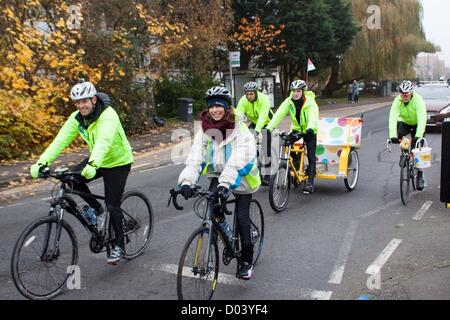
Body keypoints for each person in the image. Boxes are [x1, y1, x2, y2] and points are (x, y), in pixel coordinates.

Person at [29, 81, 134, 264]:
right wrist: (42, 162)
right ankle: (97, 210)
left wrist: (93, 164)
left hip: (118, 162)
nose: (80, 106)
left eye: (84, 101)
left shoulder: (108, 115)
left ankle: (119, 245)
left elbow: (104, 141)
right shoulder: (77, 118)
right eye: (77, 102)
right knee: (71, 178)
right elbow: (60, 141)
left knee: (113, 204)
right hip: (96, 160)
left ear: (93, 99)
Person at [177, 86, 261, 280]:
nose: (215, 110)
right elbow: (195, 157)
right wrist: (186, 181)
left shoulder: (240, 128)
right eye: (211, 106)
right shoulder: (205, 129)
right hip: (219, 173)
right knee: (213, 208)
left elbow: (238, 159)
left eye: (219, 106)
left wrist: (225, 184)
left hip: (242, 175)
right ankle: (223, 231)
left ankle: (246, 261)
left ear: (227, 107)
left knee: (241, 218)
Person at [266, 80, 319, 194]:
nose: (295, 93)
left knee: (310, 155)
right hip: (296, 129)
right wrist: (269, 128)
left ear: (303, 92)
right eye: (294, 91)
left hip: (309, 131)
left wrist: (310, 129)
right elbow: (279, 114)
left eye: (298, 91)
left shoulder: (310, 102)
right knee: (285, 144)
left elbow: (313, 116)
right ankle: (295, 163)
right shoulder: (289, 101)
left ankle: (310, 182)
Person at [388, 80, 427, 190]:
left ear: (411, 93)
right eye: (402, 94)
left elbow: (422, 118)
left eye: (407, 94)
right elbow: (392, 118)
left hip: (417, 124)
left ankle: (419, 175)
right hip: (405, 122)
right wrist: (393, 136)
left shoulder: (418, 100)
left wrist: (418, 136)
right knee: (399, 134)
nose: (404, 96)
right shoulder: (397, 101)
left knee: (418, 149)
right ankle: (404, 153)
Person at [236, 81, 274, 185]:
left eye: (251, 94)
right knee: (247, 142)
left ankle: (267, 176)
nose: (249, 96)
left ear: (256, 92)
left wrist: (257, 131)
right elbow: (238, 115)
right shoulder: (243, 100)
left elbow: (262, 116)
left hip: (267, 122)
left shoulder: (264, 98)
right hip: (254, 122)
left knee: (266, 149)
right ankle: (253, 159)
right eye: (247, 94)